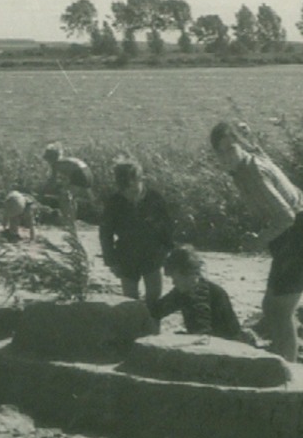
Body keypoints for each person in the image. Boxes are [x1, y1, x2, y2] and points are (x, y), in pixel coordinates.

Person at [210, 120, 303, 361]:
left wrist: (258, 242)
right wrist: (249, 135)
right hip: (294, 235)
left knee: (278, 310)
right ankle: (284, 359)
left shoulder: (252, 172)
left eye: (231, 148)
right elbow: (258, 149)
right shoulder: (247, 162)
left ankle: (288, 368)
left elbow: (286, 217)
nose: (227, 156)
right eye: (221, 152)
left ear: (240, 146)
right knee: (273, 308)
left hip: (298, 235)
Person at [98, 157, 175, 303]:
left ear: (141, 179)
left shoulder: (154, 198)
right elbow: (105, 234)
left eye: (134, 190)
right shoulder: (114, 202)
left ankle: (152, 326)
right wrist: (111, 261)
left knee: (154, 301)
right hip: (127, 256)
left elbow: (168, 226)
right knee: (130, 303)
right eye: (127, 191)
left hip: (153, 254)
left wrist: (168, 251)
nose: (131, 196)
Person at [148, 245, 248, 344]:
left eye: (175, 279)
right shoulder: (182, 291)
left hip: (225, 346)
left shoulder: (213, 294)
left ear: (188, 274)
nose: (173, 283)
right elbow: (157, 310)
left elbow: (211, 333)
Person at [38, 142, 93, 226]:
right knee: (71, 196)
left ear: (51, 157)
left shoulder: (55, 164)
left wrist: (43, 192)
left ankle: (68, 220)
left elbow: (52, 181)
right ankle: (72, 218)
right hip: (87, 173)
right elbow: (69, 177)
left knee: (64, 197)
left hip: (80, 174)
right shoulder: (66, 160)